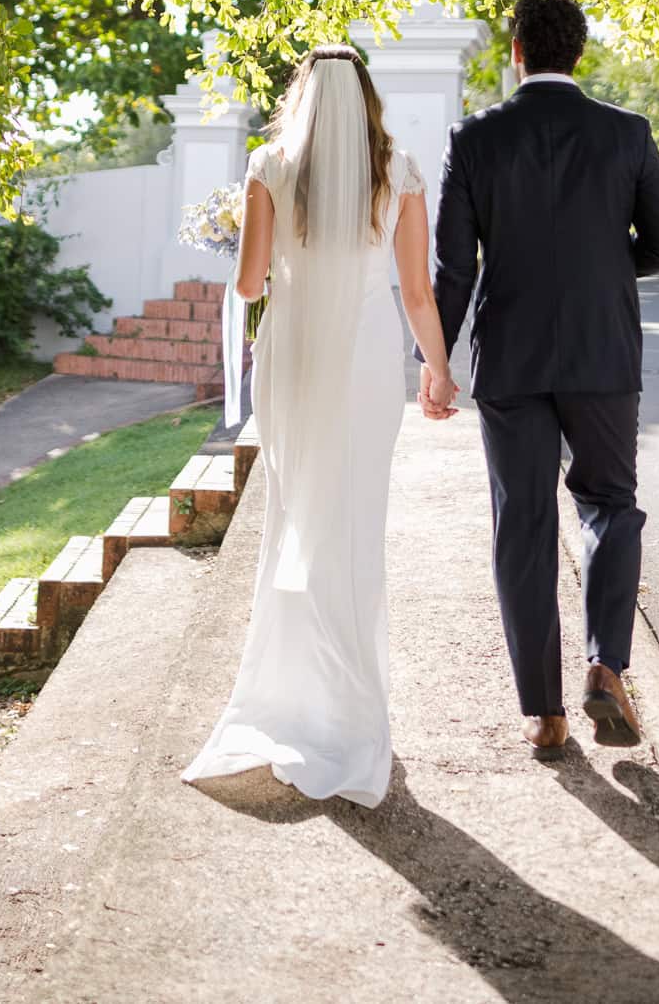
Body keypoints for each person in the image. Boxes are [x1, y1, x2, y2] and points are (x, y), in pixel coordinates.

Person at [182, 43, 457, 809]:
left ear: (301, 97)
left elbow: (248, 282)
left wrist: (248, 232)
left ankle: (291, 697)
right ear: (364, 98)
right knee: (356, 522)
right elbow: (416, 291)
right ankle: (354, 712)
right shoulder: (397, 172)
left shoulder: (270, 166)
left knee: (295, 518)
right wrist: (437, 369)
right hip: (368, 364)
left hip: (296, 355)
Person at [423, 0, 659, 758]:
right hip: (604, 352)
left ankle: (544, 714)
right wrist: (608, 267)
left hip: (510, 357)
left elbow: (451, 268)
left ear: (516, 53)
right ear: (579, 52)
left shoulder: (473, 138)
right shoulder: (626, 134)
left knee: (525, 525)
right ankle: (606, 666)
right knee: (610, 505)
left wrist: (435, 365)